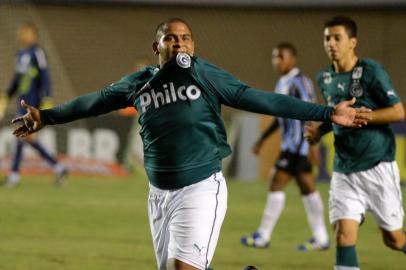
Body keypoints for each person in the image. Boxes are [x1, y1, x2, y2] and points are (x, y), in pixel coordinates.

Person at [11, 18, 368, 270]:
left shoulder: (202, 73)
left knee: (185, 268)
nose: (179, 42)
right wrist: (46, 117)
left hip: (199, 187)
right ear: (157, 46)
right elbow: (93, 102)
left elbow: (257, 98)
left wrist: (325, 113)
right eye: (171, 38)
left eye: (185, 38)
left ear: (193, 45)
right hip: (159, 196)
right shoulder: (139, 83)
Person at [304, 16, 406, 270]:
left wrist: (365, 115)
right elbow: (336, 114)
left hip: (377, 166)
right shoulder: (324, 77)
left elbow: (398, 112)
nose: (331, 43)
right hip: (344, 170)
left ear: (352, 42)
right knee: (343, 234)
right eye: (327, 38)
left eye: (337, 38)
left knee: (393, 239)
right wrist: (320, 132)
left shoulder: (372, 71)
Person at [241, 42, 329, 251]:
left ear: (292, 59)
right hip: (291, 144)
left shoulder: (300, 82)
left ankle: (263, 236)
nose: (276, 61)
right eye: (274, 57)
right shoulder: (282, 83)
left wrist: (313, 145)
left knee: (275, 183)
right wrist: (262, 139)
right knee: (308, 189)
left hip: (298, 146)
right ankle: (321, 238)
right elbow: (280, 116)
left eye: (281, 56)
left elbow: (310, 111)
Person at [0, 22, 68, 187]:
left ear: (34, 35)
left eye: (27, 32)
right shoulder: (20, 55)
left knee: (20, 135)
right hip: (21, 101)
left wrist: (47, 98)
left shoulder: (37, 52)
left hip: (32, 103)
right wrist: (6, 96)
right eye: (22, 32)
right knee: (28, 138)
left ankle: (14, 175)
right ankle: (59, 168)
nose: (24, 35)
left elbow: (45, 76)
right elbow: (17, 80)